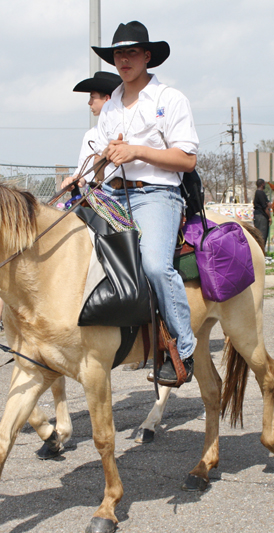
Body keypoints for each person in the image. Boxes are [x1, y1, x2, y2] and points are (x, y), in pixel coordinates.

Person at [63, 21, 198, 386]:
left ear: (147, 56)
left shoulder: (170, 99)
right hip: (113, 194)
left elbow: (187, 160)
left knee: (154, 265)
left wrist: (136, 150)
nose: (124, 59)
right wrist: (88, 172)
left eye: (132, 52)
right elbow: (105, 159)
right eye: (118, 54)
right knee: (72, 247)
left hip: (157, 195)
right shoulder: (110, 109)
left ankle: (183, 348)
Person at [69, 71, 122, 185]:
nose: (89, 102)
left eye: (93, 97)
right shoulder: (90, 135)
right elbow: (84, 171)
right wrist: (76, 179)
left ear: (107, 99)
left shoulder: (123, 129)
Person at [253, 179, 270, 249]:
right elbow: (265, 207)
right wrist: (270, 217)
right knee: (262, 236)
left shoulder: (258, 193)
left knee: (261, 236)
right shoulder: (260, 193)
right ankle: (261, 251)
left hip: (258, 216)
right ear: (262, 184)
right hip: (261, 216)